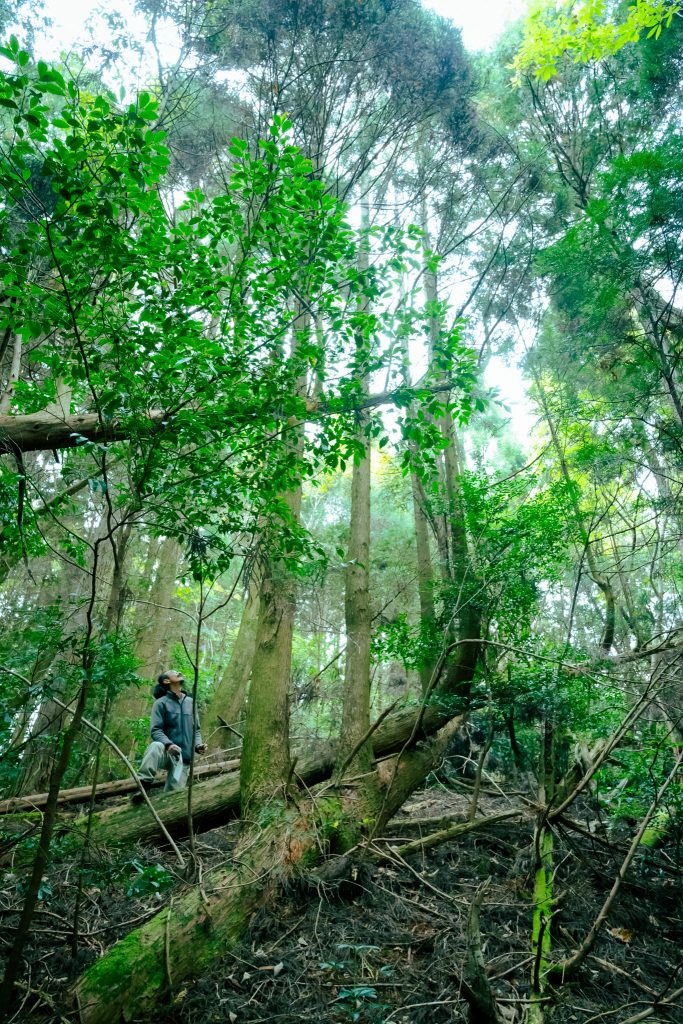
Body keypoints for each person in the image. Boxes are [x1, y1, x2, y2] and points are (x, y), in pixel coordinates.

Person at [133, 669, 206, 800]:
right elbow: (156, 730)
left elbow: (196, 730)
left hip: (184, 759)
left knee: (172, 798)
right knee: (155, 746)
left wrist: (198, 745)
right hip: (167, 752)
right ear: (167, 681)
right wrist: (168, 745)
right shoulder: (160, 703)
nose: (177, 672)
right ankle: (143, 787)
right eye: (173, 671)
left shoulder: (191, 702)